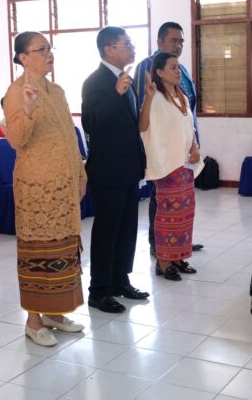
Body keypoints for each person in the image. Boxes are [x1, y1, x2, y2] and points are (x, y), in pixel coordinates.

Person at [4, 31, 87, 346]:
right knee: (38, 252)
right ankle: (33, 319)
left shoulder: (57, 90)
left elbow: (69, 136)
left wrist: (80, 173)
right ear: (24, 57)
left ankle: (54, 312)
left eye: (49, 48)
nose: (49, 54)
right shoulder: (16, 92)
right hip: (37, 189)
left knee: (63, 249)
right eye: (41, 49)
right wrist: (26, 109)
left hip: (63, 185)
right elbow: (16, 140)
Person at [81, 26, 149, 313]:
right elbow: (91, 123)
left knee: (127, 228)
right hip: (108, 170)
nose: (132, 48)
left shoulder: (125, 79)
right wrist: (115, 94)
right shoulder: (95, 81)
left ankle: (120, 280)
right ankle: (99, 290)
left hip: (128, 167)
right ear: (109, 49)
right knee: (107, 230)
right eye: (127, 43)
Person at [133, 22, 203, 257]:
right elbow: (144, 109)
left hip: (183, 146)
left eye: (181, 41)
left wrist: (194, 142)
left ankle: (179, 243)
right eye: (174, 40)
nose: (178, 45)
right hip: (163, 150)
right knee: (162, 200)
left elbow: (188, 107)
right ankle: (159, 245)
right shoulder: (148, 66)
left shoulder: (182, 69)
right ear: (160, 41)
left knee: (182, 200)